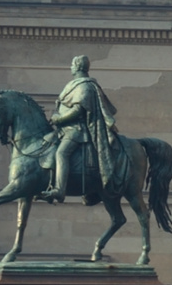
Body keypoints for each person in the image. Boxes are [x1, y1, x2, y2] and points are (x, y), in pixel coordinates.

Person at [42, 55, 124, 203]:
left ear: (78, 66)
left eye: (72, 65)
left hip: (77, 130)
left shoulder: (84, 86)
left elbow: (78, 109)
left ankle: (59, 190)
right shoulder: (73, 84)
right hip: (64, 130)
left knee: (61, 153)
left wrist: (59, 119)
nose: (70, 68)